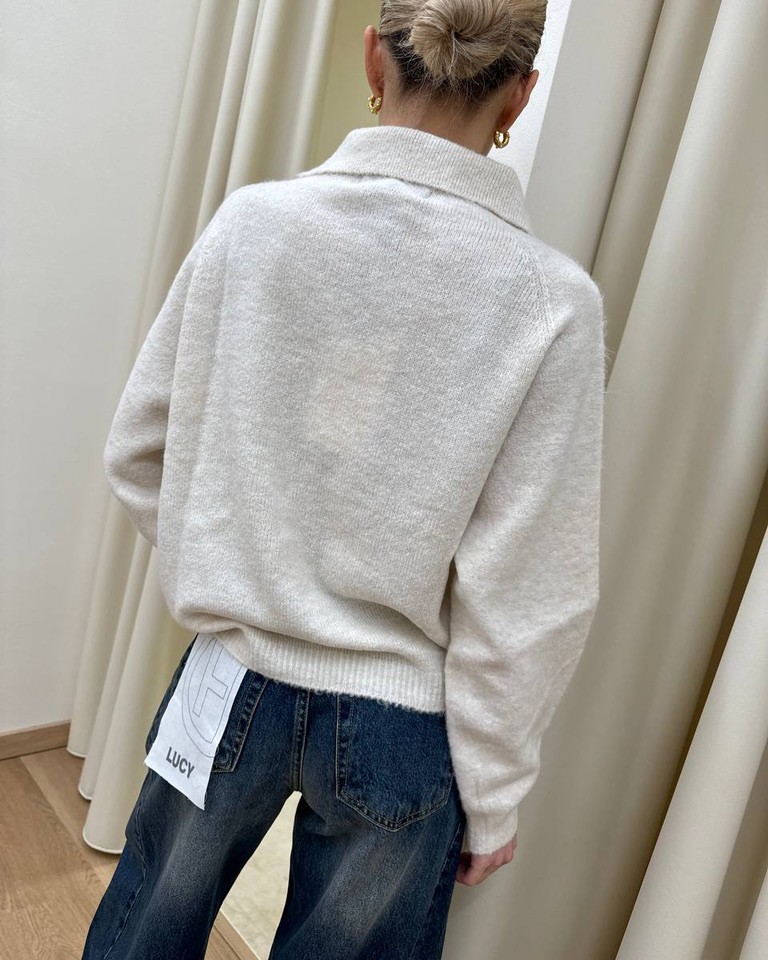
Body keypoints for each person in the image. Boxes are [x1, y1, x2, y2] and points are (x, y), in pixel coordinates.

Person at [82, 0, 606, 957]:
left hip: (230, 673)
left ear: (374, 56)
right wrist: (493, 793)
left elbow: (139, 449)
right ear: (520, 96)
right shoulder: (552, 304)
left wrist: (234, 564)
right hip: (404, 721)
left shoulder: (252, 227)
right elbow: (532, 591)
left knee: (142, 933)